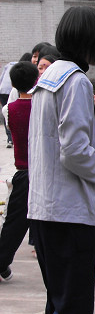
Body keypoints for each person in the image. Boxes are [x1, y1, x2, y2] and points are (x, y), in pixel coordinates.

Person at [28, 6, 95, 314]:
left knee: (59, 302)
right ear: (88, 40)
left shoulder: (50, 77)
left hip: (44, 209)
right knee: (73, 304)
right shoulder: (75, 82)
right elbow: (76, 151)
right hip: (66, 213)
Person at [0, 62, 38, 282]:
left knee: (14, 224)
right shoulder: (43, 107)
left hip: (22, 171)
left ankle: (3, 261)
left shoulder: (9, 109)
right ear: (36, 81)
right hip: (42, 171)